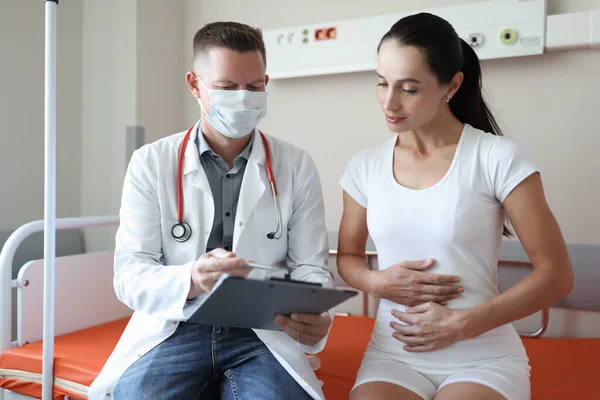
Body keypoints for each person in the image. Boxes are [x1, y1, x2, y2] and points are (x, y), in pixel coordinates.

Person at [89, 22, 334, 400]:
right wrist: (192, 279)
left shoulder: (296, 165)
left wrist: (316, 316)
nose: (243, 99)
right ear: (194, 85)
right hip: (177, 322)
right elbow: (130, 273)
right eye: (226, 88)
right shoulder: (151, 163)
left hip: (260, 331)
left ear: (266, 83)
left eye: (254, 88)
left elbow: (310, 267)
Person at [337, 12, 573, 400]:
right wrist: (374, 281)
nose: (389, 102)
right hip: (393, 355)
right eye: (382, 83)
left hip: (481, 356)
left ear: (452, 84)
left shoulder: (496, 158)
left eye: (409, 89)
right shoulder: (364, 166)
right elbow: (347, 256)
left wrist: (463, 324)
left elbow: (557, 274)